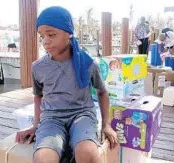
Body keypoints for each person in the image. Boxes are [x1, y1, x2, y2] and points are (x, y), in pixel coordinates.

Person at [15, 6, 118, 163]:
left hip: (82, 115)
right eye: (42, 36)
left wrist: (106, 124)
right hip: (51, 118)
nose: (45, 41)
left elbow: (102, 92)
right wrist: (36, 125)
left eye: (51, 34)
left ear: (68, 33)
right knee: (43, 157)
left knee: (87, 152)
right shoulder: (38, 67)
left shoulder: (88, 63)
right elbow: (38, 96)